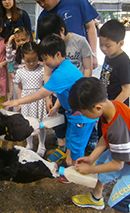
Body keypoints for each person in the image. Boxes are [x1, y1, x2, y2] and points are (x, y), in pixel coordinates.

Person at [2, 34, 97, 177]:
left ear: (58, 54)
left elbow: (41, 93)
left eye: (45, 58)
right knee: (71, 139)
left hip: (82, 116)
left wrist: (18, 101)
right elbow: (66, 91)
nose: (44, 62)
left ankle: (74, 174)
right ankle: (69, 163)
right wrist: (57, 105)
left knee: (76, 144)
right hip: (75, 113)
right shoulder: (66, 65)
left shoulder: (61, 73)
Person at [37, 13, 95, 162]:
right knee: (66, 128)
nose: (48, 41)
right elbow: (48, 73)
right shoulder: (51, 53)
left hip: (78, 97)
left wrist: (84, 92)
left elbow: (88, 68)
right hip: (62, 94)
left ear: (61, 30)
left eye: (51, 36)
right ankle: (64, 151)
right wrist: (51, 98)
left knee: (77, 134)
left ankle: (73, 161)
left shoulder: (80, 42)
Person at [68, 77, 130, 212]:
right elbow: (105, 137)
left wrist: (90, 169)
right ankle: (96, 198)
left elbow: (117, 164)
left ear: (97, 108)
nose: (82, 116)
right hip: (125, 150)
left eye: (83, 113)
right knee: (101, 163)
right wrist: (91, 158)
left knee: (118, 202)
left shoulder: (117, 129)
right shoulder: (111, 107)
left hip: (125, 158)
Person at [31, 0, 99, 69]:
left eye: (43, 0)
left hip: (80, 60)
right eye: (38, 2)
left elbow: (90, 27)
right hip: (58, 66)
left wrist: (93, 54)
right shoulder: (43, 17)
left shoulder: (77, 1)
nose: (42, 4)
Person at [14, 41, 47, 157]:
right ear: (23, 58)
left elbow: (46, 86)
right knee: (27, 123)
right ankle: (29, 143)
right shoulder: (20, 72)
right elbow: (20, 88)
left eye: (34, 59)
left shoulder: (42, 70)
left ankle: (42, 144)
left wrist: (47, 100)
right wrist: (19, 102)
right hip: (26, 101)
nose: (32, 63)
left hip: (39, 100)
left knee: (40, 123)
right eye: (28, 61)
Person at [99, 19, 130, 107]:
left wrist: (112, 107)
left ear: (120, 43)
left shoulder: (123, 61)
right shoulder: (108, 55)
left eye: (108, 46)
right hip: (106, 102)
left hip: (117, 108)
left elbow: (126, 91)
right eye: (101, 44)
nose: (104, 49)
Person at [6, 27, 31, 104]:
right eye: (18, 41)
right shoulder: (15, 53)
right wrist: (9, 43)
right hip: (18, 83)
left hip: (30, 82)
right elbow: (9, 59)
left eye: (24, 39)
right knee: (18, 103)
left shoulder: (32, 52)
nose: (21, 42)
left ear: (29, 38)